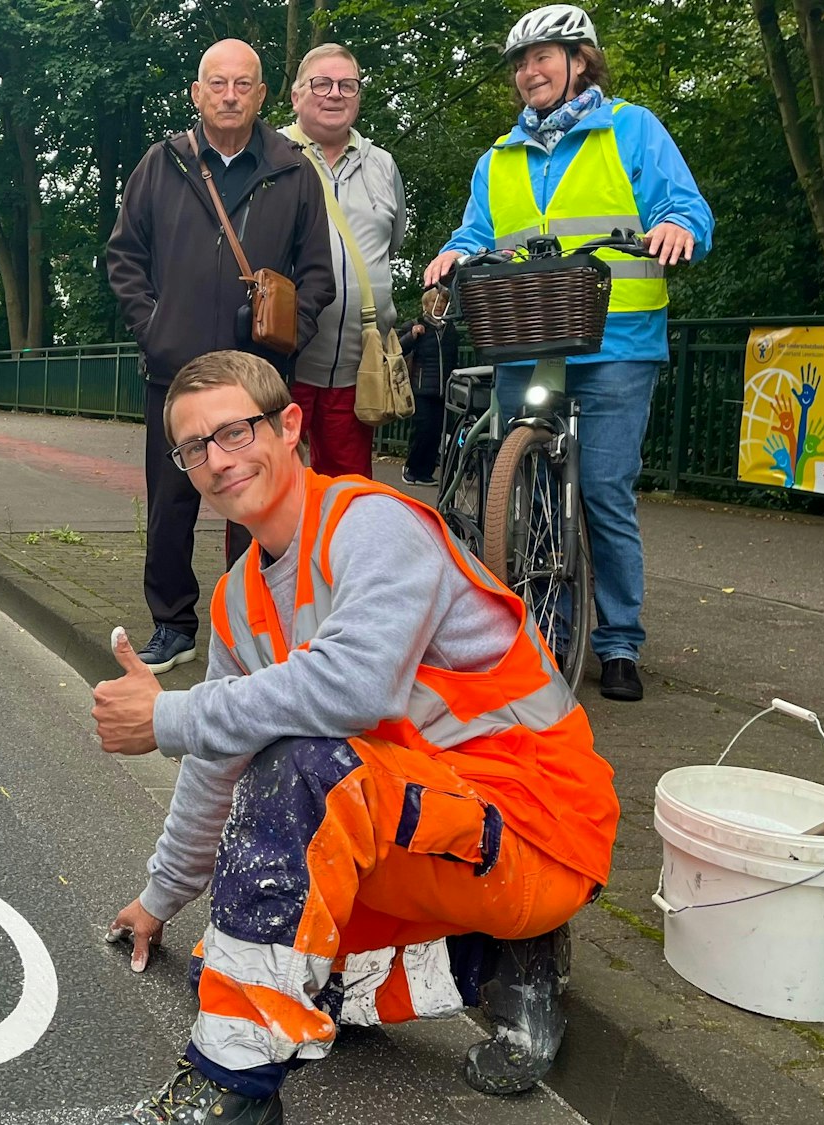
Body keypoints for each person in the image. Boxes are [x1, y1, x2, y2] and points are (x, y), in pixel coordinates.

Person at [92, 350, 619, 1124]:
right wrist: (160, 897)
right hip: (424, 829)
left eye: (234, 431)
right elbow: (217, 764)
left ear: (290, 425)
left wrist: (166, 715)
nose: (217, 459)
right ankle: (495, 957)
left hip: (537, 826)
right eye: (194, 447)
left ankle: (232, 1089)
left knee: (299, 768)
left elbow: (353, 685)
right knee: (259, 943)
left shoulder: (371, 525)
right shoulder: (241, 598)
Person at [422, 3, 713, 703]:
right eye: (521, 63)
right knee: (526, 484)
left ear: (580, 60)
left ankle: (617, 640)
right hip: (527, 335)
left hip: (618, 341)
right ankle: (544, 626)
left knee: (605, 490)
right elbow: (478, 231)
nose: (530, 71)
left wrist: (676, 226)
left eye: (544, 56)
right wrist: (455, 251)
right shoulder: (498, 158)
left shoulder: (632, 129)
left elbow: (688, 209)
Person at [106, 38, 335, 675]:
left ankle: (254, 626)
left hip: (256, 379)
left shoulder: (293, 169)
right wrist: (154, 328)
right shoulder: (162, 164)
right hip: (174, 371)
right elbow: (123, 257)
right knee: (171, 500)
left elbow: (318, 273)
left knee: (258, 502)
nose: (230, 95)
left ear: (262, 96)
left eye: (243, 85)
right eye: (218, 84)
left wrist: (286, 335)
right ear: (197, 93)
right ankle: (173, 626)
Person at [279, 43, 407, 480]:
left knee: (349, 494)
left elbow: (389, 245)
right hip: (284, 360)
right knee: (271, 488)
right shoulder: (271, 157)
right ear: (297, 96)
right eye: (321, 83)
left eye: (346, 85)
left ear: (358, 96)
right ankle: (270, 555)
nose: (334, 94)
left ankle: (335, 554)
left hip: (358, 367)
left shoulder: (383, 165)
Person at [398, 287, 460, 486]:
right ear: (426, 305)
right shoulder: (417, 324)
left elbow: (453, 358)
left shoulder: (449, 329)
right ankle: (411, 469)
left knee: (435, 432)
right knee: (421, 430)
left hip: (443, 389)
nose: (439, 306)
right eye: (434, 302)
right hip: (422, 387)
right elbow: (397, 348)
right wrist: (411, 336)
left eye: (442, 302)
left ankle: (425, 472)